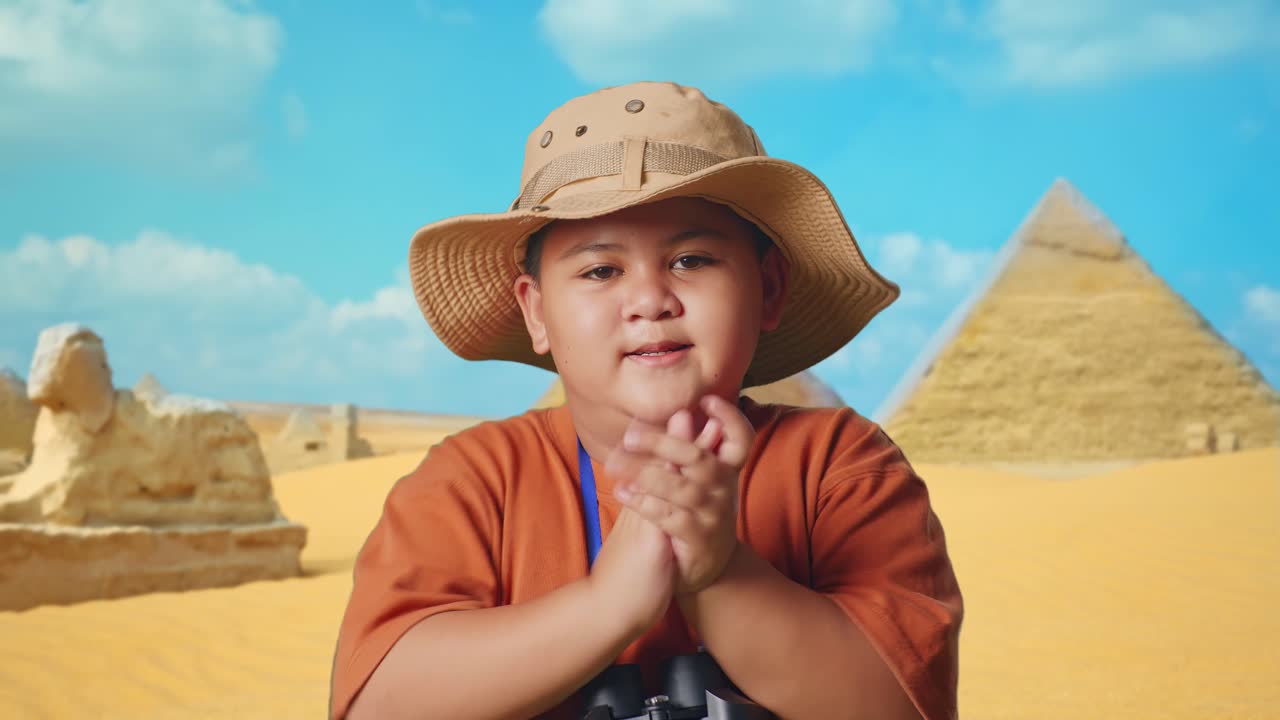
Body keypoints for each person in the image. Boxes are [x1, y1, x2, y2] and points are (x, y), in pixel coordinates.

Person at [329, 81, 963, 720]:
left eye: (692, 259)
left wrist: (721, 574)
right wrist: (610, 604)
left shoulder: (840, 466)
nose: (650, 299)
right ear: (537, 310)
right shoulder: (470, 480)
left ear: (768, 289)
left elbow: (902, 705)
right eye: (601, 271)